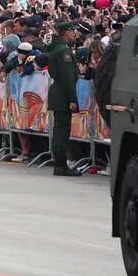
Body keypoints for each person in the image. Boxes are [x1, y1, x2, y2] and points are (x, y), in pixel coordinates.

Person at [47, 21, 81, 175]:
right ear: (66, 32)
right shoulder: (63, 51)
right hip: (63, 94)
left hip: (58, 93)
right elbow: (68, 78)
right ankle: (61, 165)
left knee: (59, 129)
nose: (74, 34)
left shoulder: (57, 48)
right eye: (72, 31)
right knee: (62, 131)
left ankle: (59, 162)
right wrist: (73, 99)